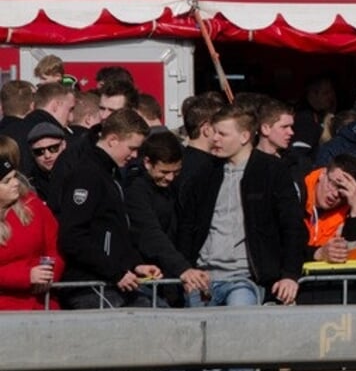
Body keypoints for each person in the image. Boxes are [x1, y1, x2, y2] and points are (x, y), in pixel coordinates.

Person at [177, 104, 306, 307]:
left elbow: (292, 225)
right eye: (214, 132)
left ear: (244, 136)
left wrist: (290, 275)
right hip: (203, 279)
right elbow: (187, 225)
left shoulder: (272, 170)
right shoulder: (204, 172)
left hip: (245, 279)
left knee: (240, 330)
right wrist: (185, 268)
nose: (215, 138)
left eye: (222, 133)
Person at [55, 110, 163, 309]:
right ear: (113, 139)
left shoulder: (110, 174)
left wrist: (136, 264)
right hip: (90, 284)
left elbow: (114, 231)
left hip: (111, 279)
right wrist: (116, 272)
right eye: (132, 148)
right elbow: (72, 236)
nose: (134, 155)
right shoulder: (87, 175)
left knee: (159, 312)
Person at [125, 131, 210, 300]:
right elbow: (150, 234)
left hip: (171, 272)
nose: (170, 178)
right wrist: (182, 268)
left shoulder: (172, 187)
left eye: (176, 172)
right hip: (148, 274)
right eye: (164, 172)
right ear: (148, 163)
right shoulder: (136, 190)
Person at [0, 159, 64, 310]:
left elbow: (55, 246)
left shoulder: (33, 205)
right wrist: (26, 276)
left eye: (15, 176)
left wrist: (49, 274)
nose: (15, 183)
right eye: (7, 181)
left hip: (43, 303)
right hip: (6, 310)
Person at [302, 154, 356, 263]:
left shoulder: (345, 213)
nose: (335, 194)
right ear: (323, 174)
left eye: (342, 191)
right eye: (333, 184)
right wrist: (318, 253)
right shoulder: (296, 194)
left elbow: (352, 258)